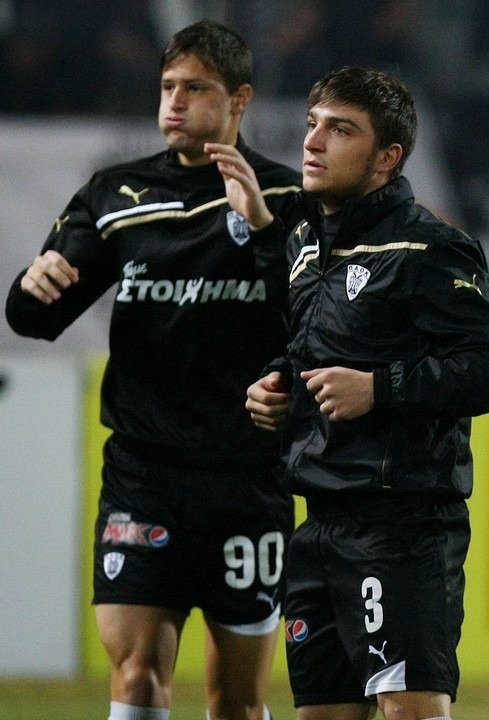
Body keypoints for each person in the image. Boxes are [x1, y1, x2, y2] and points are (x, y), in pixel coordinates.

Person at [5, 20, 301, 720]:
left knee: (238, 700)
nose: (174, 102)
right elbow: (33, 317)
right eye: (168, 87)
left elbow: (317, 315)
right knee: (136, 678)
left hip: (247, 477)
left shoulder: (288, 199)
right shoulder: (116, 194)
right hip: (143, 476)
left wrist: (262, 230)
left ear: (240, 100)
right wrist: (31, 285)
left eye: (195, 88)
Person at [244, 65, 489, 720]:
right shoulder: (304, 244)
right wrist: (279, 386)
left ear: (386, 157)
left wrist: (380, 388)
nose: (313, 141)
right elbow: (319, 348)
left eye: (341, 130)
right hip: (318, 523)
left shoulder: (429, 247)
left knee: (410, 709)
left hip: (402, 528)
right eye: (313, 124)